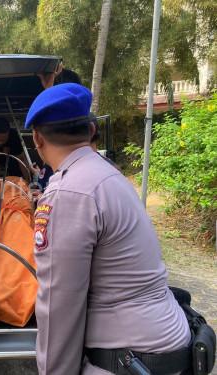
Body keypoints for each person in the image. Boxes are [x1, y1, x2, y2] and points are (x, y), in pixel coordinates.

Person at [25, 83, 191, 375]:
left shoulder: (67, 193)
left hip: (130, 357)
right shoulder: (108, 175)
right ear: (90, 131)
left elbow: (59, 305)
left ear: (37, 139)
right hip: (158, 345)